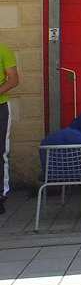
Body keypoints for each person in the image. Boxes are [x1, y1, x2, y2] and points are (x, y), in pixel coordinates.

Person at [0, 43, 17, 214]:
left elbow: (13, 79)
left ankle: (1, 195)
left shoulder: (3, 50)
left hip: (1, 107)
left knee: (1, 151)